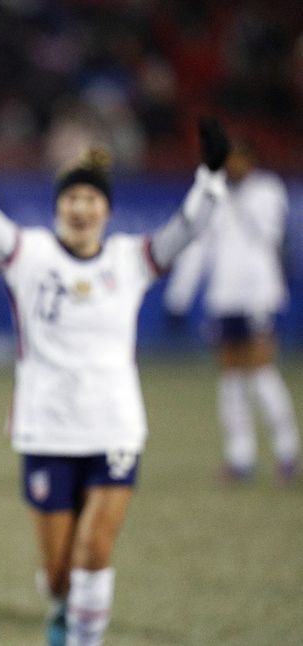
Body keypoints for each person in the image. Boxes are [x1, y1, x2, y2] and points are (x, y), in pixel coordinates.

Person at [0, 107, 229, 646]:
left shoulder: (131, 259)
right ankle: (63, 610)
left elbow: (187, 228)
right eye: (72, 198)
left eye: (92, 199)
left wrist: (210, 178)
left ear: (107, 211)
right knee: (61, 573)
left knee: (95, 552)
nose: (82, 207)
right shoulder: (29, 254)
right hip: (45, 428)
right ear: (59, 207)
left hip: (113, 426)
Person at [163, 140, 300, 484]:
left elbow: (269, 232)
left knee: (261, 372)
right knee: (232, 379)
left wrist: (235, 198)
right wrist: (178, 298)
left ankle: (287, 453)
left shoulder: (267, 190)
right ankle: (241, 457)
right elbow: (198, 249)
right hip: (223, 299)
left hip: (257, 295)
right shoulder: (213, 197)